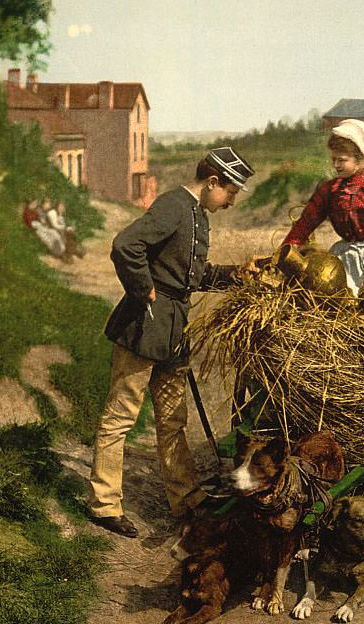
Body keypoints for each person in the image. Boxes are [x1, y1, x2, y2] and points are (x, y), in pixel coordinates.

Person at [89, 147, 260, 537]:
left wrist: (236, 275)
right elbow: (124, 245)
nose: (232, 202)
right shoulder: (173, 205)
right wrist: (144, 289)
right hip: (145, 325)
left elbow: (188, 276)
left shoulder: (197, 214)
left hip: (173, 330)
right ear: (213, 182)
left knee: (172, 419)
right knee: (120, 417)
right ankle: (104, 504)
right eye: (231, 193)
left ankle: (185, 498)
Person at [281, 119, 364, 298]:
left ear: (360, 158)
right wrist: (283, 255)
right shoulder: (330, 190)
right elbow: (304, 225)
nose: (336, 165)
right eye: (333, 159)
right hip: (345, 259)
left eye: (342, 160)